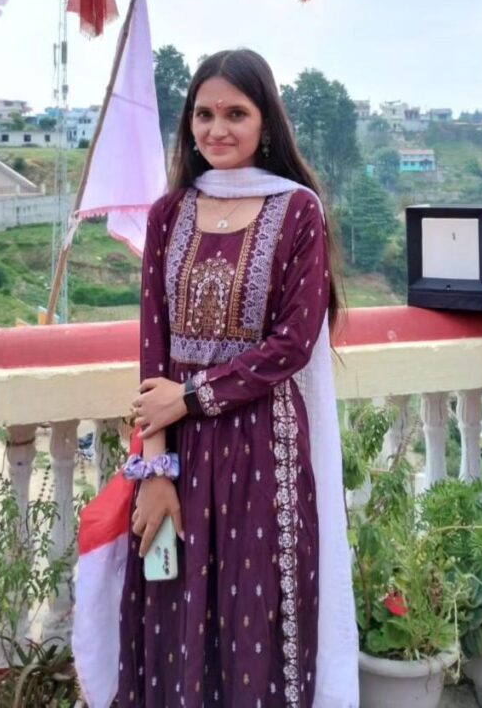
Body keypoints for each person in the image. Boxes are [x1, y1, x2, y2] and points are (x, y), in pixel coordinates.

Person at [118, 49, 358, 708]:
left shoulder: (298, 213)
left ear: (265, 124)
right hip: (180, 454)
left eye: (234, 113)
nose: (216, 129)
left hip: (265, 450)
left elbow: (290, 344)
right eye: (203, 113)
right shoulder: (169, 213)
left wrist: (191, 398)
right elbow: (152, 349)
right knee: (175, 611)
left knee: (257, 622)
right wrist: (154, 473)